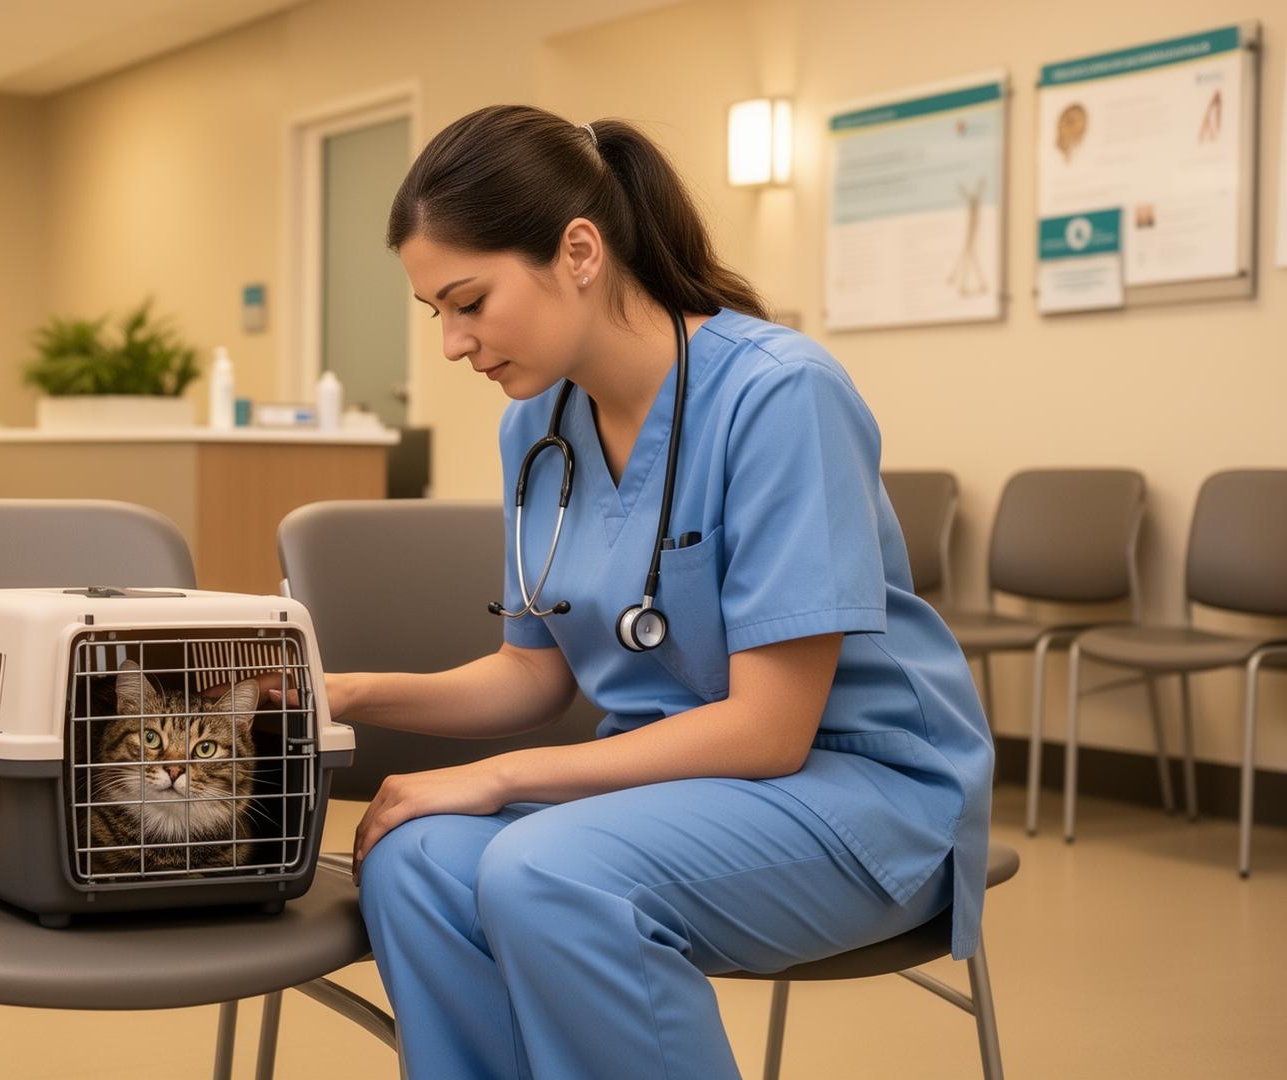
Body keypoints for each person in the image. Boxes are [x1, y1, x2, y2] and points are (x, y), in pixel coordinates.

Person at [312, 105, 993, 1078]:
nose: (454, 343)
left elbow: (769, 731)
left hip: (863, 794)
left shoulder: (779, 395)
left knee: (545, 872)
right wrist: (345, 694)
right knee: (413, 863)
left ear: (579, 250)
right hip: (664, 787)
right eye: (438, 315)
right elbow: (531, 678)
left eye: (470, 301)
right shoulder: (537, 428)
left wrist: (498, 776)